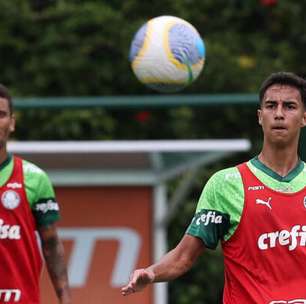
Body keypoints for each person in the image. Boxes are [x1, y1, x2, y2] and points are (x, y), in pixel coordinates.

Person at [121, 72, 306, 303]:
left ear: (303, 117)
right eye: (271, 106)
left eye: (289, 106)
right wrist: (151, 273)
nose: (279, 114)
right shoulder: (227, 184)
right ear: (260, 116)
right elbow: (183, 257)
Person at [0, 84, 71, 303]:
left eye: (0, 115)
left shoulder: (33, 178)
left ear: (11, 123)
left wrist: (65, 299)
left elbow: (50, 245)